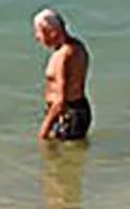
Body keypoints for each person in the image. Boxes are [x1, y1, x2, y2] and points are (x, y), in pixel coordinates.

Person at [34, 9, 92, 143]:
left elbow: (61, 100)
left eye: (39, 32)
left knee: (58, 159)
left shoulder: (63, 56)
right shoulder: (78, 46)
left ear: (51, 31)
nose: (37, 37)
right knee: (70, 158)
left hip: (67, 114)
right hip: (80, 109)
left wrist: (43, 131)